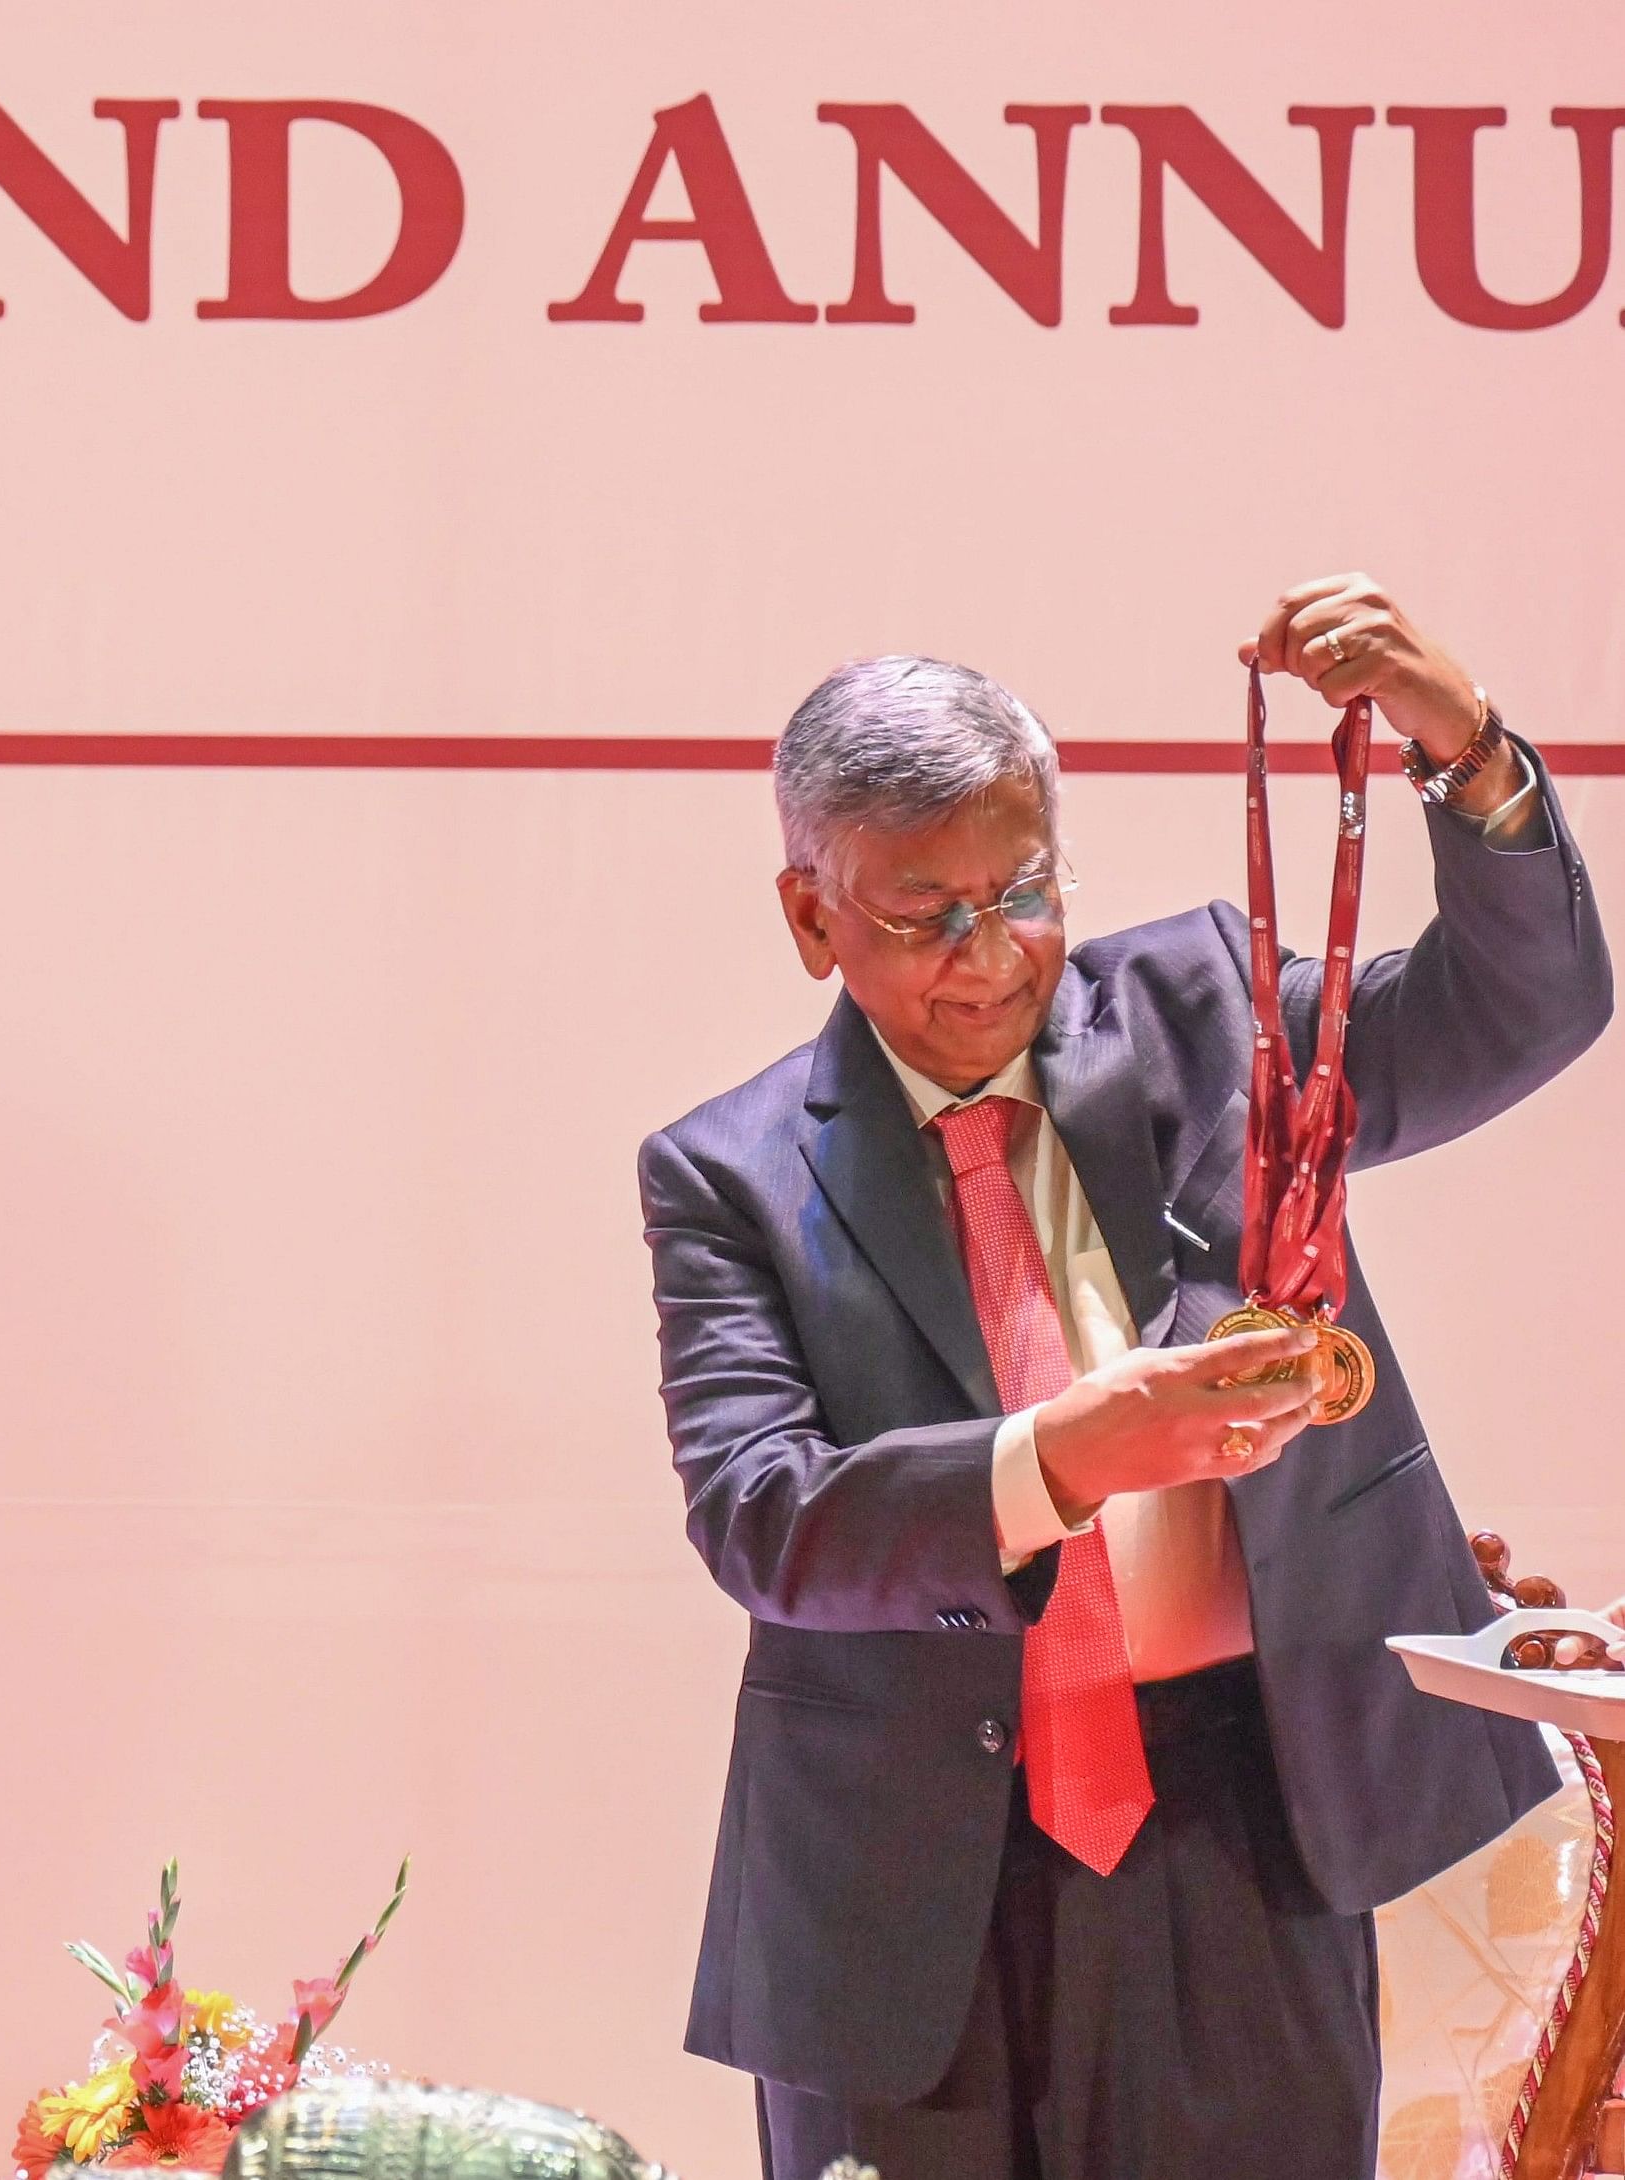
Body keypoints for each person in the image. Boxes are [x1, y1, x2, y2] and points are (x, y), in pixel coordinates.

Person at [641, 575, 1610, 2177]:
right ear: (811, 914)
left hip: (1244, 1809)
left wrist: (1463, 745)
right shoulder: (728, 1176)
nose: (986, 955)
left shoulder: (1208, 1018)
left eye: (1019, 890)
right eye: (918, 912)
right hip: (901, 1874)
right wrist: (1060, 1458)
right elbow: (765, 1518)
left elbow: (1526, 1007)